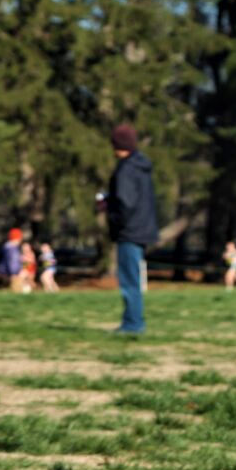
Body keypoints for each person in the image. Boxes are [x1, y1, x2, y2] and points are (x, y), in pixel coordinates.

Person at [101, 124, 157, 335]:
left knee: (129, 280)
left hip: (129, 231)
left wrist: (110, 211)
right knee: (134, 278)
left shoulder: (126, 169)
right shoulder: (142, 167)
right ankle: (132, 321)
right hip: (142, 229)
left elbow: (125, 202)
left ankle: (133, 324)